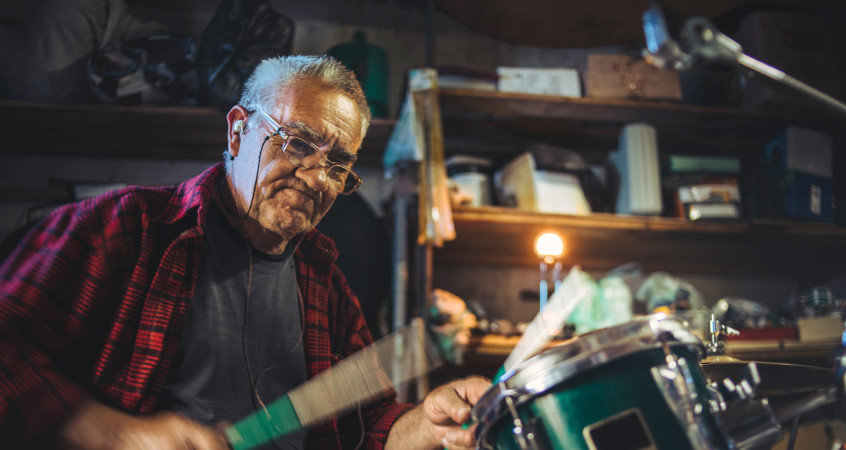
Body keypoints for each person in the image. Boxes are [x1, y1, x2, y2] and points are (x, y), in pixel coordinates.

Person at [0, 54, 490, 449]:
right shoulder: (126, 228)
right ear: (237, 131)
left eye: (338, 165)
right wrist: (112, 431)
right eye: (297, 143)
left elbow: (369, 426)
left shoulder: (326, 284)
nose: (319, 178)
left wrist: (426, 425)